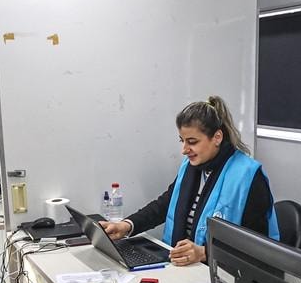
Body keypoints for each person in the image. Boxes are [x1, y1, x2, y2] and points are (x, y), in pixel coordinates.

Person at [101, 95, 279, 266]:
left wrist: (204, 252)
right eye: (182, 141)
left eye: (192, 142)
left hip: (223, 273)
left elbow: (257, 246)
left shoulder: (248, 175)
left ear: (217, 137)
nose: (184, 150)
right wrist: (126, 226)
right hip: (183, 266)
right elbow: (165, 204)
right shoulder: (192, 166)